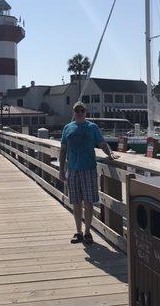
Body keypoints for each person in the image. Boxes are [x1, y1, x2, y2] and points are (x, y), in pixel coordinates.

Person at [59, 101, 118, 245]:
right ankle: (78, 232)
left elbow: (102, 143)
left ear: (86, 112)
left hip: (89, 169)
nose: (79, 112)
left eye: (81, 110)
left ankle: (87, 232)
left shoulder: (92, 127)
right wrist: (62, 170)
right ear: (74, 112)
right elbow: (63, 150)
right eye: (76, 110)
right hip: (72, 169)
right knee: (76, 202)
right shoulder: (68, 128)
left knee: (89, 202)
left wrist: (109, 154)